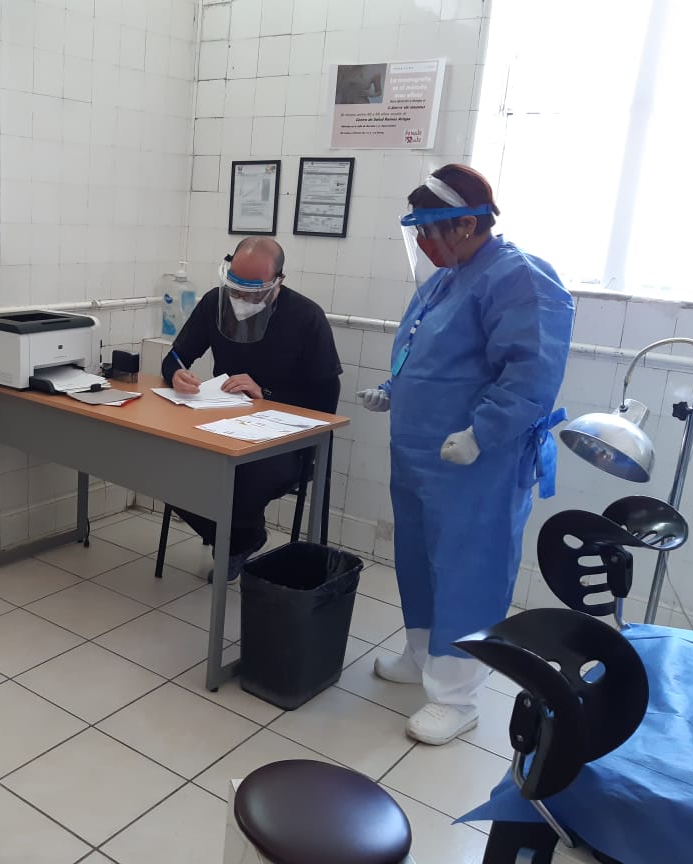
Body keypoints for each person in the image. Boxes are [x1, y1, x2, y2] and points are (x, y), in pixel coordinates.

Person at [356, 165, 574, 745]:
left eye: (429, 231)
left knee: (468, 569)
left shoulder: (519, 278)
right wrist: (393, 388)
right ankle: (421, 654)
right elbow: (425, 352)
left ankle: (457, 696)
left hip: (479, 463)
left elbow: (531, 372)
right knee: (418, 557)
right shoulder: (446, 280)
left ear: (466, 225)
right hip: (421, 454)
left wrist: (482, 432)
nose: (424, 244)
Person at [161, 237, 342, 581]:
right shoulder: (215, 303)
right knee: (169, 465)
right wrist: (176, 374)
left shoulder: (306, 317)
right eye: (235, 288)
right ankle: (242, 538)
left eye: (253, 292)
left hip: (285, 440)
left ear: (278, 281)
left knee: (244, 476)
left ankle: (235, 540)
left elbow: (325, 399)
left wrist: (266, 393)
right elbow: (176, 355)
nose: (241, 299)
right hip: (221, 424)